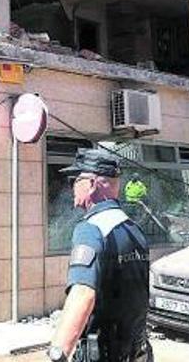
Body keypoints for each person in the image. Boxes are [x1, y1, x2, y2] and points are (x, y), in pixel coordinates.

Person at [48, 148, 152, 362]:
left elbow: (83, 294)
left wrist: (58, 353)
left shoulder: (91, 229)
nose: (72, 187)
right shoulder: (133, 228)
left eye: (75, 181)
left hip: (104, 352)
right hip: (137, 350)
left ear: (92, 184)